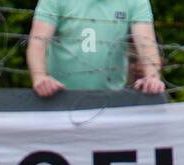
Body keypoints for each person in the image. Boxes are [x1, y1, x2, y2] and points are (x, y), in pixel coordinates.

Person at [28, 0, 164, 97]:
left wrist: (152, 77)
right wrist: (39, 77)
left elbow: (146, 42)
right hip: (58, 96)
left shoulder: (136, 2)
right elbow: (38, 41)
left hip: (111, 99)